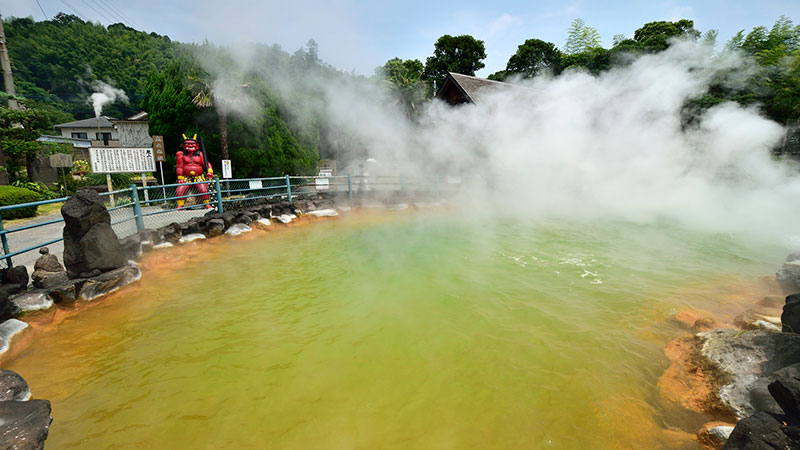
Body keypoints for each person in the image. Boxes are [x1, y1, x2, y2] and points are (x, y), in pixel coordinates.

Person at [175, 134, 214, 208]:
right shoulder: (180, 154)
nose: (190, 145)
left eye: (192, 144)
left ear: (197, 145)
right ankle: (180, 205)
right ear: (183, 145)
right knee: (180, 189)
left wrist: (209, 171)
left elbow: (207, 163)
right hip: (186, 177)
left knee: (204, 189)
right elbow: (179, 167)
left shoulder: (201, 154)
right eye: (187, 144)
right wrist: (180, 178)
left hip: (199, 177)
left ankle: (207, 204)